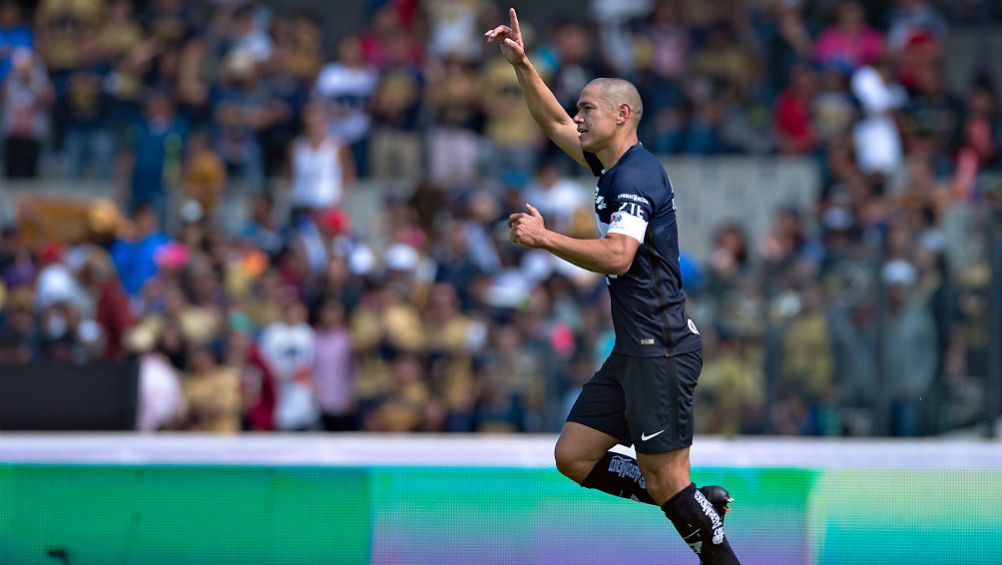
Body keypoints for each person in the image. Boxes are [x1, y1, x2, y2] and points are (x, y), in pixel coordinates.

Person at [486, 9, 740, 564]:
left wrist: (545, 238)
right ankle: (694, 505)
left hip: (661, 347)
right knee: (574, 456)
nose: (577, 117)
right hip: (634, 350)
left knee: (669, 482)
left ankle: (705, 529)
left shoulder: (636, 176)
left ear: (623, 115)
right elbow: (553, 125)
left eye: (587, 108)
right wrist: (523, 65)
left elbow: (621, 257)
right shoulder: (611, 166)